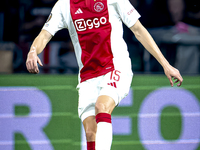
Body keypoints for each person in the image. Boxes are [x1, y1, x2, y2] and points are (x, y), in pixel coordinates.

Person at [26, 0, 183, 149]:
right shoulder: (64, 5)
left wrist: (166, 64)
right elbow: (44, 34)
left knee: (101, 107)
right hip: (87, 76)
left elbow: (138, 30)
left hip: (116, 67)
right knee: (90, 134)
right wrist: (33, 51)